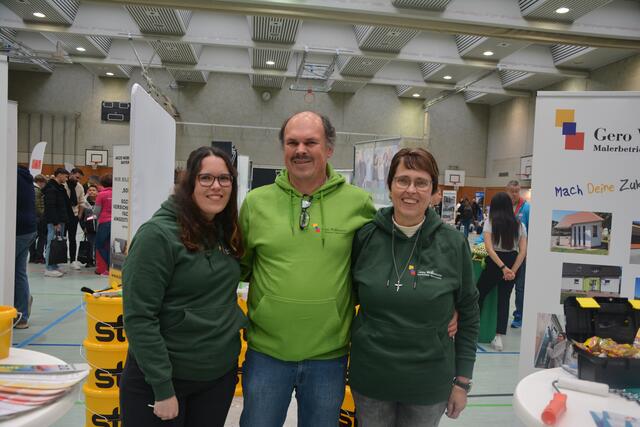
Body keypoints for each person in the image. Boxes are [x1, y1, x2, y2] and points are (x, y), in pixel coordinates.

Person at [238, 111, 377, 426]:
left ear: (329, 149)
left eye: (310, 142)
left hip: (329, 357)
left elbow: (377, 269)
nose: (300, 150)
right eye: (292, 142)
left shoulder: (359, 204)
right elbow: (235, 268)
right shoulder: (256, 203)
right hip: (266, 354)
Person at [349, 148, 479, 426]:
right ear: (390, 186)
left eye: (421, 182)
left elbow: (469, 312)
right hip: (371, 380)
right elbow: (347, 297)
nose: (411, 190)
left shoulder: (453, 243)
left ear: (434, 191)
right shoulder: (366, 236)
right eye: (403, 180)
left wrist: (462, 382)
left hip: (428, 385)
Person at [121, 146, 247, 426]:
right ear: (189, 182)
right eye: (206, 178)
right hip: (165, 382)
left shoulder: (224, 232)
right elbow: (140, 317)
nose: (216, 186)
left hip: (217, 378)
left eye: (224, 178)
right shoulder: (157, 236)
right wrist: (162, 387)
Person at [476, 192, 527, 351]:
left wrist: (503, 268)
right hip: (513, 262)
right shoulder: (520, 225)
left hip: (495, 263)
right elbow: (522, 251)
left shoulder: (490, 222)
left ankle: (472, 331)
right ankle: (498, 338)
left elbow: (489, 248)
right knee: (504, 300)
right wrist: (512, 271)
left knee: (478, 295)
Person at [15, 166, 37, 329]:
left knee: (14, 272)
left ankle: (21, 306)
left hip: (17, 230)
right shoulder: (25, 177)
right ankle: (21, 314)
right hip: (28, 229)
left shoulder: (11, 176)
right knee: (19, 272)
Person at [506, 180, 530, 329]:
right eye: (512, 191)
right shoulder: (504, 207)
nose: (514, 194)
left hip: (522, 255)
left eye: (517, 191)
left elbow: (532, 231)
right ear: (507, 191)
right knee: (505, 287)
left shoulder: (527, 208)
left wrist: (527, 252)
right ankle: (500, 315)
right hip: (505, 254)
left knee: (520, 288)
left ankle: (519, 316)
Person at [42, 168, 72, 277]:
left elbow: (65, 203)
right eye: (65, 176)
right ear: (59, 175)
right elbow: (51, 207)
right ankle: (49, 268)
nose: (66, 179)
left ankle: (54, 265)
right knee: (52, 242)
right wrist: (55, 222)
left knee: (57, 243)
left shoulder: (60, 188)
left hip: (61, 219)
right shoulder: (51, 188)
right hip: (54, 221)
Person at [65, 168, 86, 270]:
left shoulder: (79, 187)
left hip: (74, 215)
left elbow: (82, 202)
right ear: (71, 174)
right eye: (77, 177)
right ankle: (59, 260)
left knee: (72, 238)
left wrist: (79, 215)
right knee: (60, 238)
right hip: (63, 215)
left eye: (79, 178)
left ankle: (73, 260)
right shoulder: (63, 185)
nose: (78, 180)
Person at [93, 174, 112, 275]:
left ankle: (108, 266)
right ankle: (111, 268)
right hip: (115, 222)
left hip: (104, 222)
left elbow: (96, 212)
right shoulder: (117, 194)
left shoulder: (101, 194)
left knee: (99, 245)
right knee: (110, 246)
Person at [29, 174, 47, 264]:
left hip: (33, 217)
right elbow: (37, 205)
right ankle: (38, 256)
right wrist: (43, 214)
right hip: (39, 217)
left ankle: (33, 256)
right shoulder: (37, 190)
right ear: (41, 182)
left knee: (33, 237)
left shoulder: (31, 188)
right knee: (42, 237)